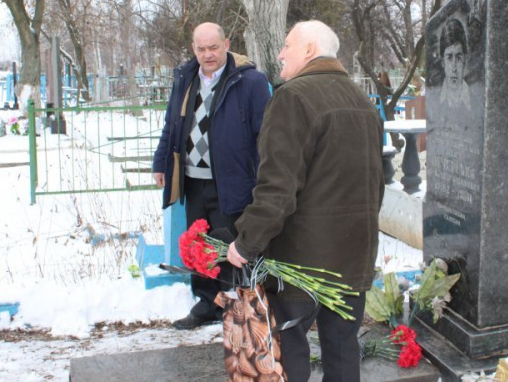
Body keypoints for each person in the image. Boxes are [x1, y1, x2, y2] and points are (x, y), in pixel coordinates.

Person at [226, 20, 385, 382]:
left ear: (310, 50)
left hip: (302, 262)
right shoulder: (363, 103)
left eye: (287, 45)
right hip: (352, 258)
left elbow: (277, 186)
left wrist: (246, 241)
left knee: (287, 352)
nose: (280, 53)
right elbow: (376, 184)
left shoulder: (292, 97)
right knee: (343, 353)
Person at [152, 22, 271, 330]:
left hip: (232, 181)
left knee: (233, 244)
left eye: (214, 47)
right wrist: (161, 163)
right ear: (194, 49)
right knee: (199, 245)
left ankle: (244, 306)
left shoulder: (250, 82)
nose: (208, 55)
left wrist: (263, 177)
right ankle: (208, 305)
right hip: (193, 179)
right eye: (201, 49)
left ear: (226, 44)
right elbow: (171, 126)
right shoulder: (185, 79)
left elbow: (265, 134)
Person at [438, 17, 470, 109]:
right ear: (442, 61)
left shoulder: (476, 98)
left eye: (459, 58)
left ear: (465, 60)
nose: (454, 68)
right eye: (449, 57)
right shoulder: (434, 101)